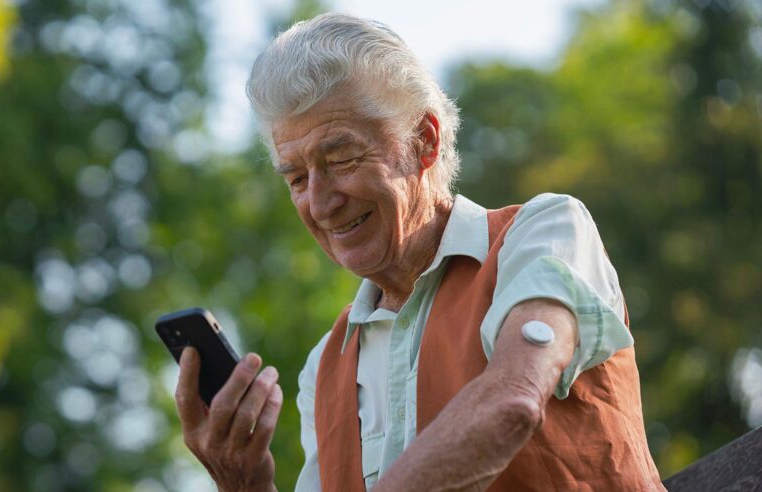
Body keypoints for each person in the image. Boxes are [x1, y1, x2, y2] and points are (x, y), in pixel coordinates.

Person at [174, 12, 664, 491]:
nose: (321, 204)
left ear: (423, 142)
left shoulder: (544, 232)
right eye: (298, 178)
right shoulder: (323, 368)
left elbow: (512, 400)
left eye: (342, 159)